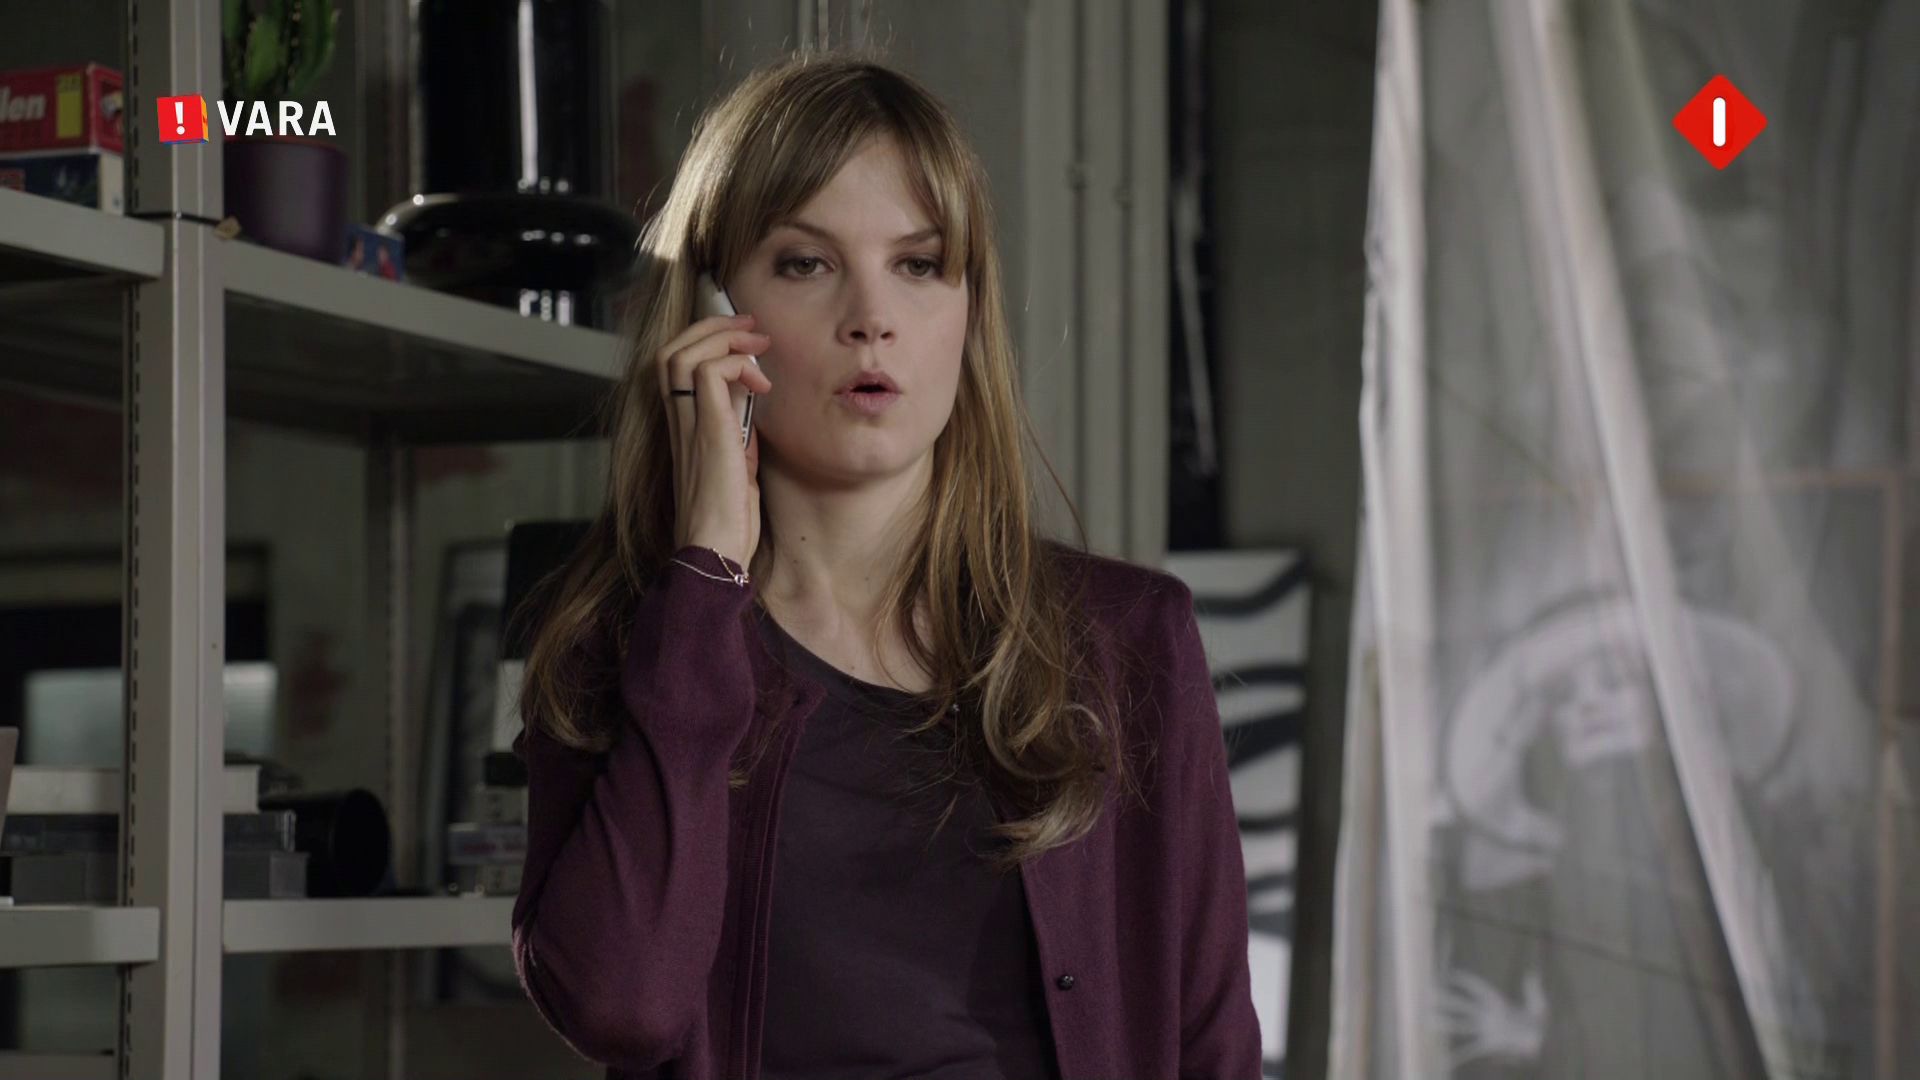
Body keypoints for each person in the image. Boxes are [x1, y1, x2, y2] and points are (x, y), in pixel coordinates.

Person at [509, 52, 1261, 1080]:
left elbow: (1212, 1042)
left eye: (918, 264)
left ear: (968, 309)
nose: (872, 317)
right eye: (805, 264)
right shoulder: (618, 652)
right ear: (712, 316)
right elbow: (621, 1007)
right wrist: (706, 574)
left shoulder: (1127, 640)